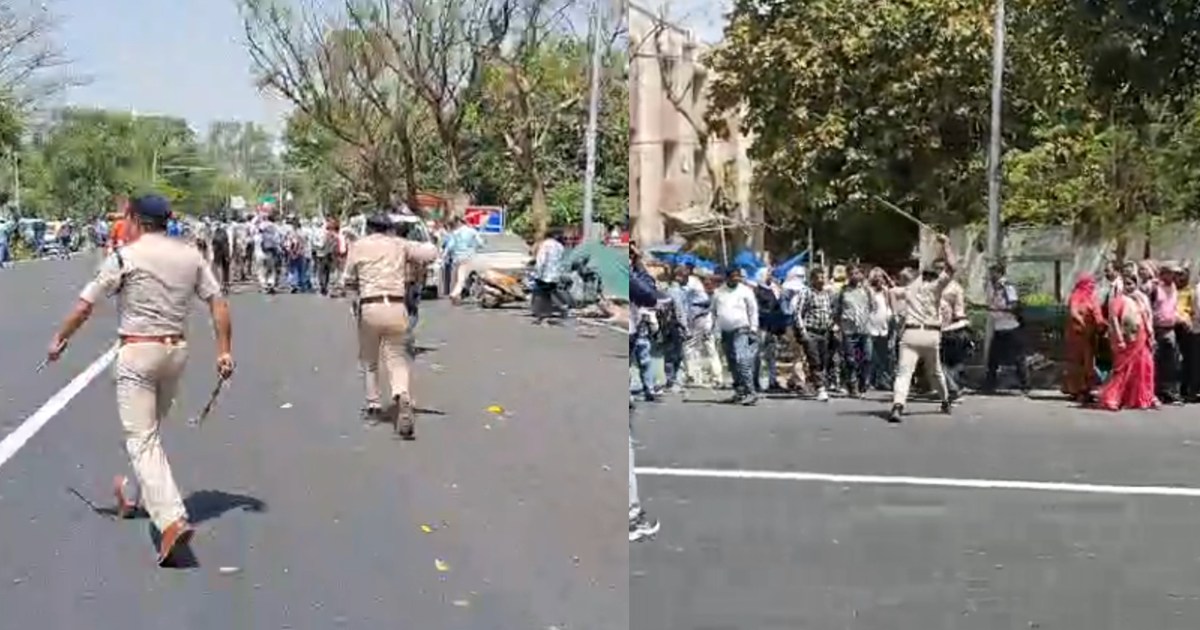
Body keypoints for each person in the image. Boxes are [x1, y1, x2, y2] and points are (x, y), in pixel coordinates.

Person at [45, 194, 234, 566]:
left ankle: (171, 520)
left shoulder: (125, 257)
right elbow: (218, 302)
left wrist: (59, 339)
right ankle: (131, 494)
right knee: (149, 432)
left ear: (134, 219)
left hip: (138, 352)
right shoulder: (191, 256)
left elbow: (85, 305)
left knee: (141, 438)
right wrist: (224, 351)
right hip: (175, 353)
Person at [341, 213, 438, 439]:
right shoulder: (400, 245)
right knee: (396, 358)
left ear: (368, 228)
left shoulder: (358, 246)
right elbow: (431, 254)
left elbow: (347, 279)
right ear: (389, 229)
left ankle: (373, 403)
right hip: (395, 306)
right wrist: (430, 236)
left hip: (370, 306)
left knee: (370, 359)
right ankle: (401, 393)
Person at [889, 234, 955, 423]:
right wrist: (946, 244)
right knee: (935, 371)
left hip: (910, 332)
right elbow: (952, 267)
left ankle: (898, 405)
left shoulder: (910, 289)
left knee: (904, 373)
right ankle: (945, 400)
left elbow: (892, 291)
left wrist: (896, 314)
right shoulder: (935, 288)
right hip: (931, 334)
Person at [1097, 271, 1157, 410]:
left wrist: (1151, 336)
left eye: (1131, 284)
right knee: (1122, 369)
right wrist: (1119, 338)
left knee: (1142, 368)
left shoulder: (1139, 299)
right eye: (1126, 284)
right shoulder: (1118, 300)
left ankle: (1140, 398)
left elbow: (1146, 318)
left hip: (1141, 338)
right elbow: (1113, 320)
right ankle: (1112, 398)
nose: (1129, 287)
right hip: (1126, 339)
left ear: (1136, 285)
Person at [712, 266, 760, 405]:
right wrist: (714, 330)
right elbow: (714, 312)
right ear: (727, 277)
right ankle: (740, 391)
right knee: (732, 362)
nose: (736, 279)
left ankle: (751, 391)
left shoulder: (745, 291)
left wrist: (753, 328)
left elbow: (753, 310)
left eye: (738, 276)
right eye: (733, 276)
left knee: (742, 359)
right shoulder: (719, 292)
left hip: (742, 329)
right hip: (725, 331)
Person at [1063, 273, 1106, 403]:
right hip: (1077, 334)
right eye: (1089, 283)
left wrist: (1100, 324)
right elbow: (1073, 312)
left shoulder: (1093, 297)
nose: (1092, 286)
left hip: (1090, 334)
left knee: (1089, 362)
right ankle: (1077, 389)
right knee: (1078, 361)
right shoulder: (1076, 296)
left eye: (1093, 283)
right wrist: (1082, 322)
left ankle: (1088, 388)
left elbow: (1097, 314)